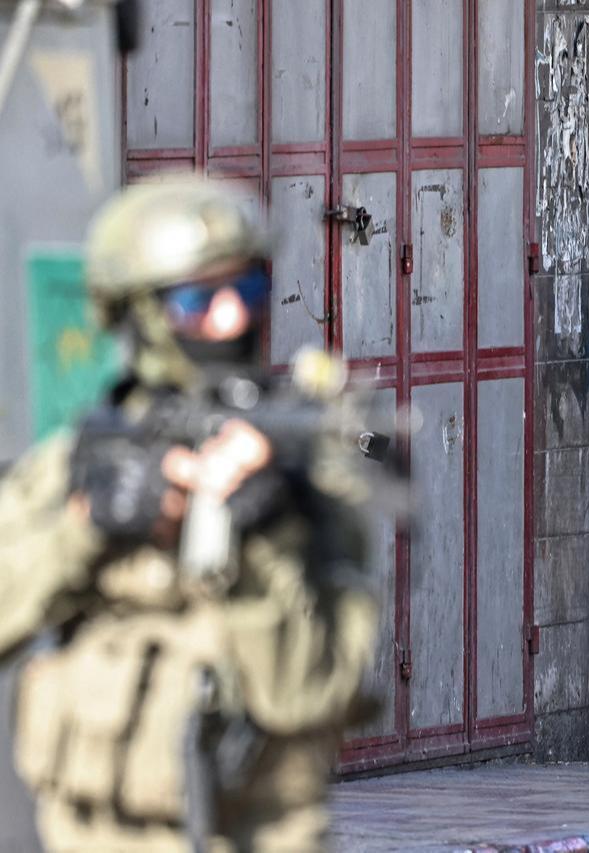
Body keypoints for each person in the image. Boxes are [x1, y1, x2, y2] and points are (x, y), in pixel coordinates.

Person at [0, 178, 379, 850]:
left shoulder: (307, 473)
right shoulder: (81, 463)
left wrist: (264, 534)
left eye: (249, 291)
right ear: (142, 314)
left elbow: (311, 693)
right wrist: (85, 530)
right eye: (199, 301)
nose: (232, 320)